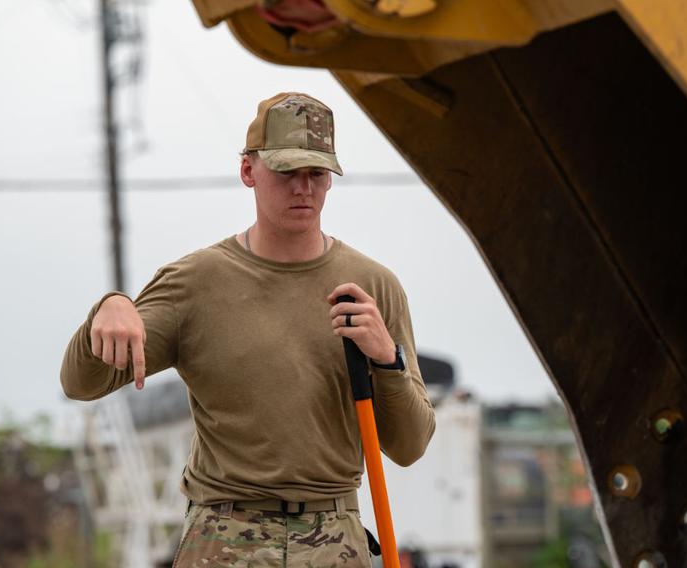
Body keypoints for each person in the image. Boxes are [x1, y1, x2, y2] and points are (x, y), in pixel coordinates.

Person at [60, 92, 436, 567]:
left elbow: (410, 445)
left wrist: (388, 359)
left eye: (316, 174)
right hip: (224, 535)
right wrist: (109, 307)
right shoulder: (194, 283)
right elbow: (80, 383)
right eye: (286, 172)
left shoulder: (373, 287)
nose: (303, 188)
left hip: (334, 535)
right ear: (247, 171)